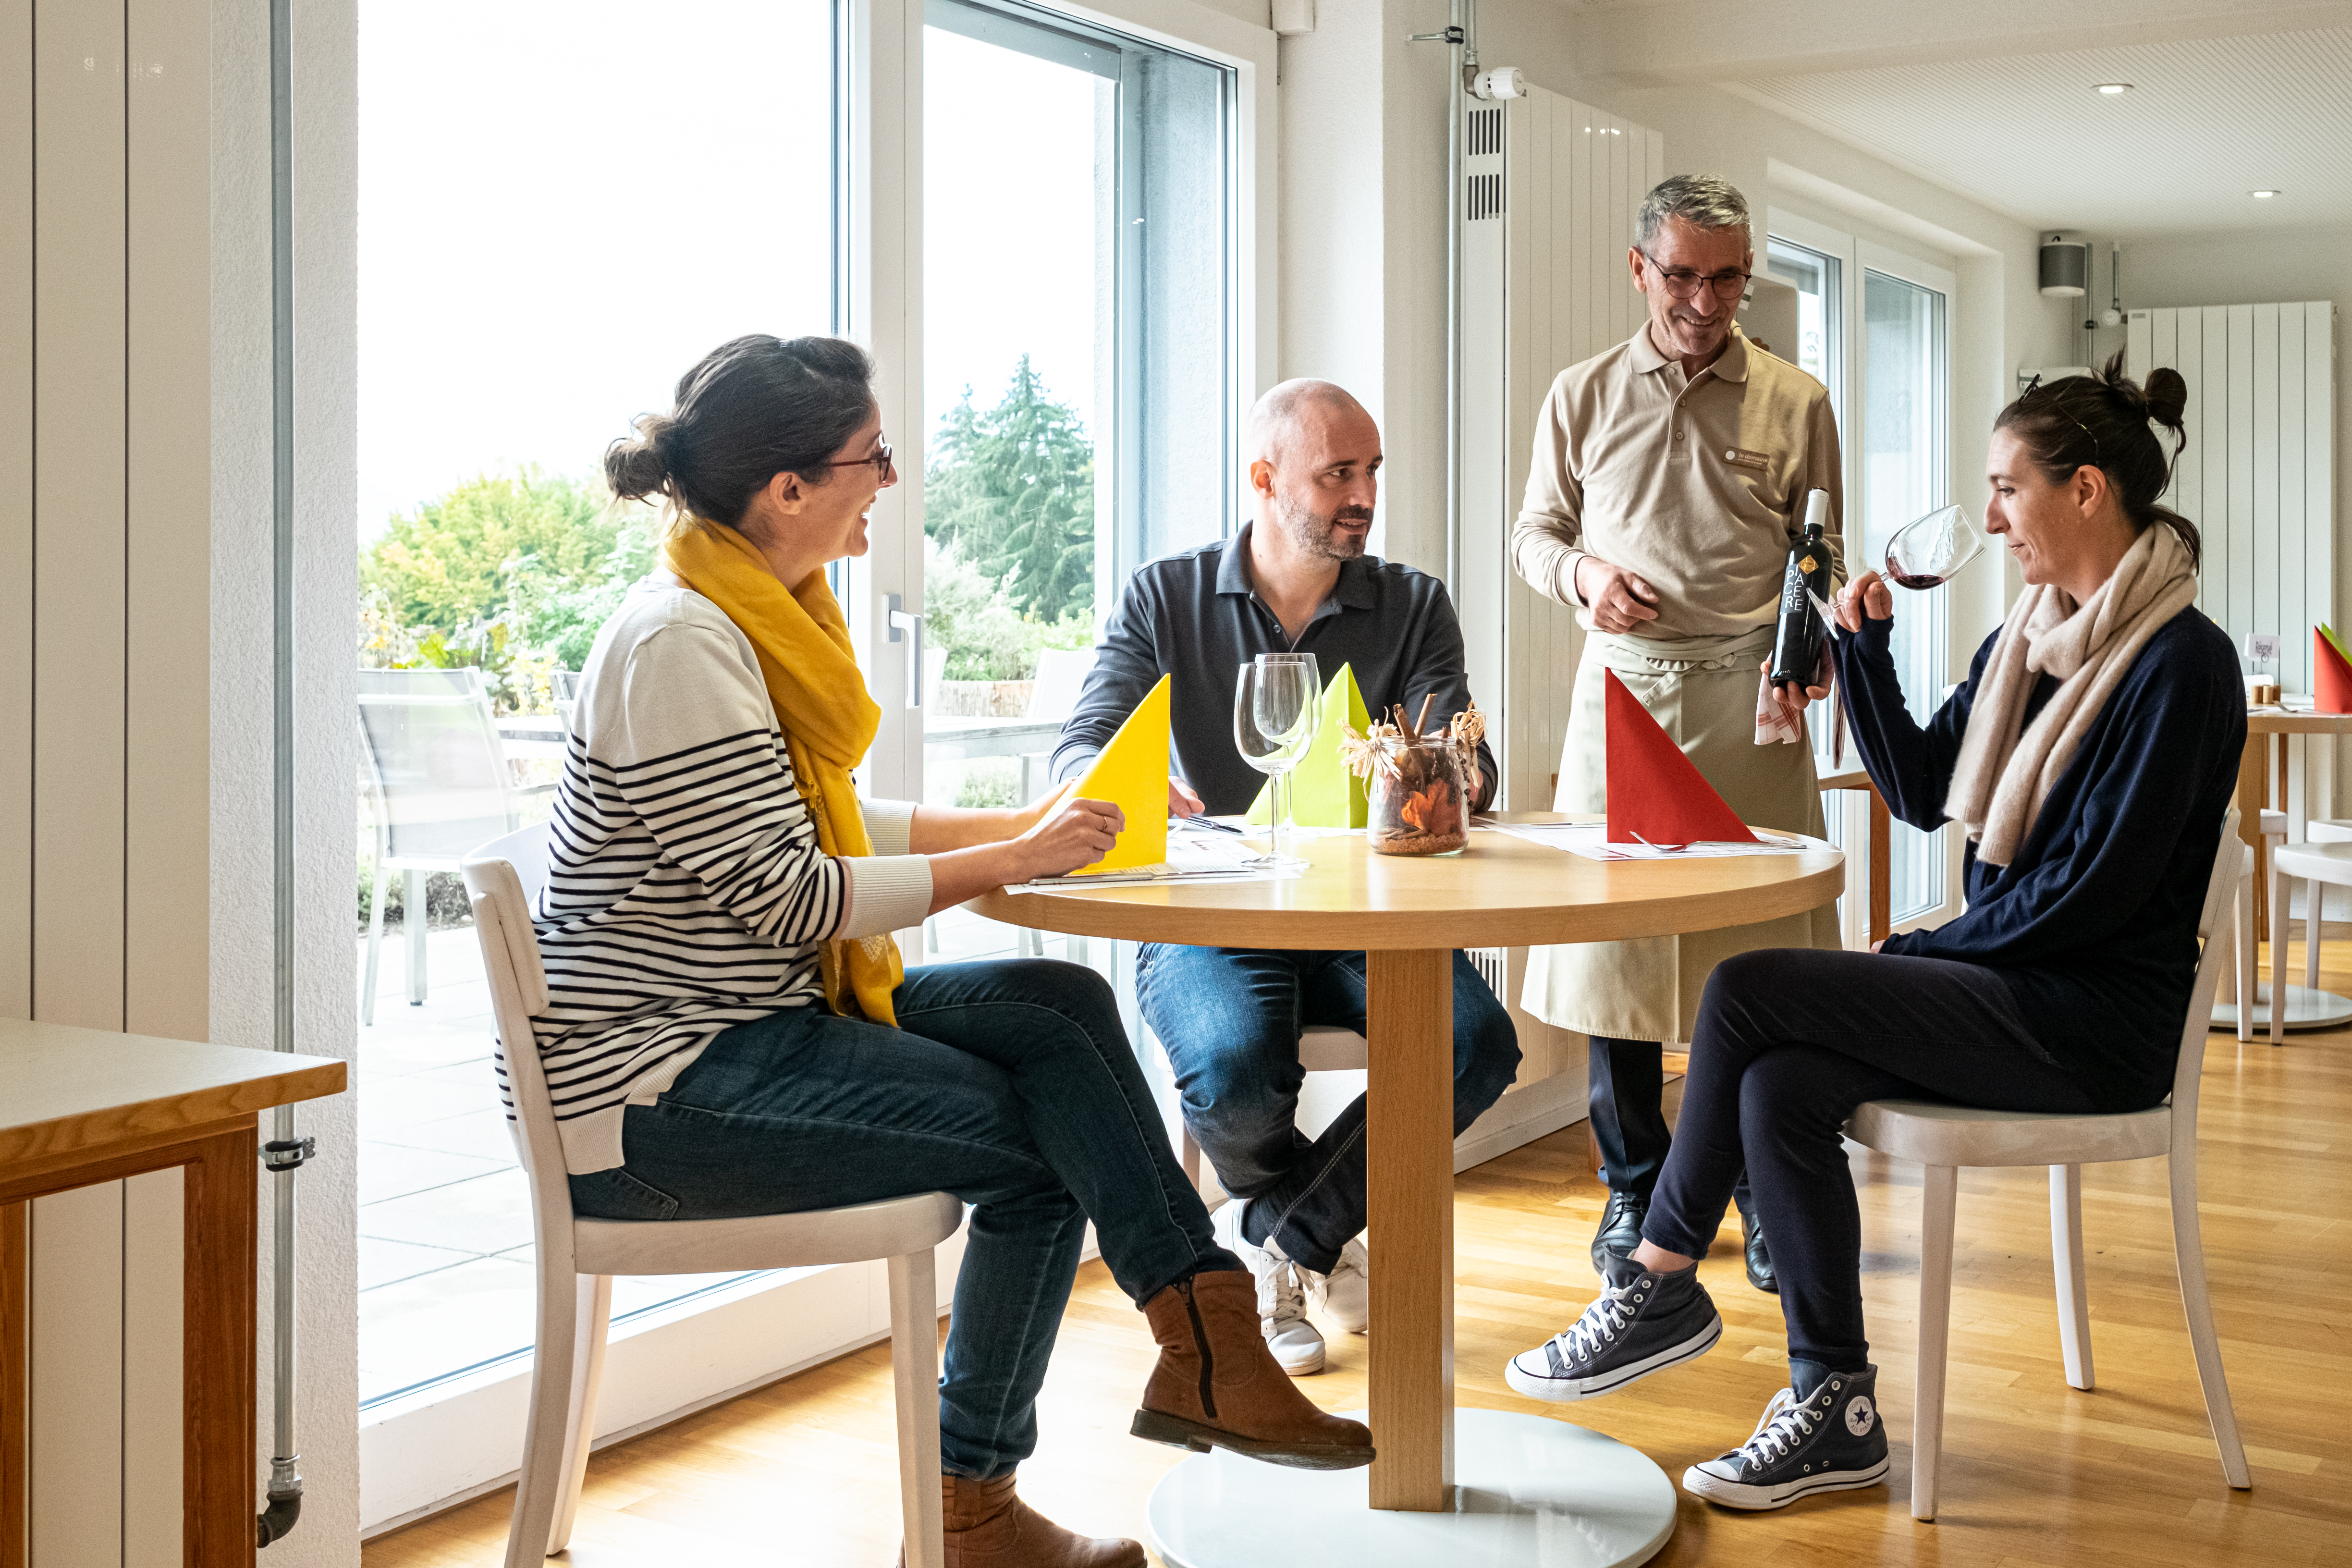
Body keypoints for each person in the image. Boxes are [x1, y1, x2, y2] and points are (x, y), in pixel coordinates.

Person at [535, 335, 1372, 1568]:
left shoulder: (749, 618)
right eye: (873, 457)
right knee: (1045, 1142)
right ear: (788, 492)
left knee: (1054, 1009)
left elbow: (824, 825)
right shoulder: (683, 645)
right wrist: (1009, 864)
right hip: (657, 1099)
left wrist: (1030, 828)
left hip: (747, 1031)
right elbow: (786, 894)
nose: (887, 478)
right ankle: (1002, 1488)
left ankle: (1201, 1345)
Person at [1500, 355, 2242, 1512]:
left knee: (1747, 988)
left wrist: (1931, 948)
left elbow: (2100, 892)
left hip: (2092, 1023)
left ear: (2087, 490)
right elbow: (1920, 786)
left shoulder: (2181, 663)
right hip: (2020, 985)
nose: (1991, 519)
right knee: (1781, 1083)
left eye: (2007, 488)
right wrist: (1863, 649)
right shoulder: (2033, 639)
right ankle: (1836, 1406)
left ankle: (1658, 1277)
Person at [1052, 379, 1522, 1375]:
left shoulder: (1414, 604)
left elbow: (1459, 748)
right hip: (1216, 913)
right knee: (1231, 1066)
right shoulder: (1163, 596)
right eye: (1337, 475)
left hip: (1373, 913)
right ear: (1265, 480)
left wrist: (1459, 770)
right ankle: (1308, 1234)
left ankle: (1273, 1236)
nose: (1364, 495)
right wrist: (1122, 788)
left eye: (1372, 472)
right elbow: (1083, 745)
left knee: (1477, 1046)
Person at [1511, 173, 1847, 1292]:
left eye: (1729, 276)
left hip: (1751, 699)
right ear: (1639, 267)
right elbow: (1533, 537)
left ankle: (1762, 1179)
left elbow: (1820, 560)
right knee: (1617, 958)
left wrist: (1805, 660)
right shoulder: (1582, 393)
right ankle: (1632, 1193)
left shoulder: (1797, 402)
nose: (1707, 300)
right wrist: (1584, 574)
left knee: (1760, 956)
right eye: (1685, 274)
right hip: (1621, 698)